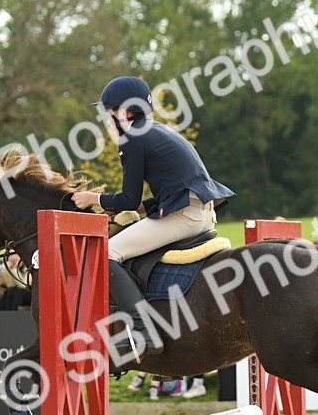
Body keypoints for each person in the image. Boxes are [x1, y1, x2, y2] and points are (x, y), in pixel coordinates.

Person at [69, 76, 235, 360]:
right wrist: (136, 211)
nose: (107, 120)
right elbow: (151, 198)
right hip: (201, 213)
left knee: (106, 253)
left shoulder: (132, 138)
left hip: (185, 216)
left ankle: (145, 331)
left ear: (124, 112)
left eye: (109, 112)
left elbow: (127, 198)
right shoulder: (158, 131)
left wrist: (93, 199)